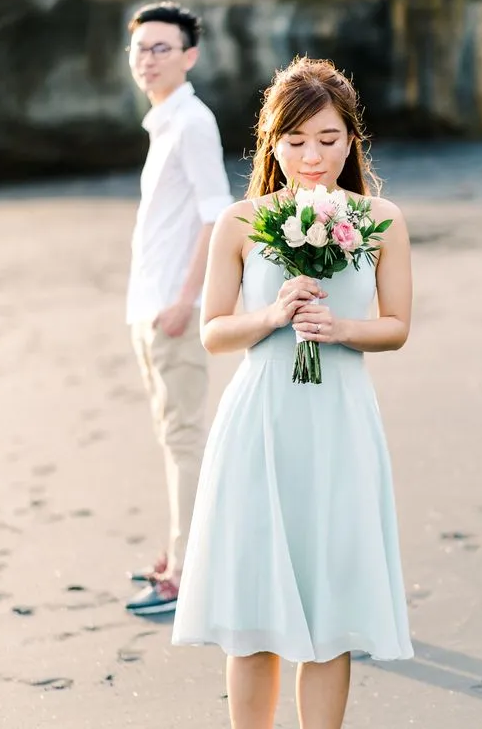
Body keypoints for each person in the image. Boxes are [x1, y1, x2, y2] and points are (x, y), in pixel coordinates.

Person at [172, 56, 413, 728]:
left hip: (340, 419)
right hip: (262, 422)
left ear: (352, 140)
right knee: (252, 610)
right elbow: (215, 331)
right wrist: (274, 315)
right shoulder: (242, 221)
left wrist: (340, 328)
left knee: (329, 605)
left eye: (329, 139)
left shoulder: (381, 220)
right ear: (272, 143)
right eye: (297, 140)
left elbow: (395, 328)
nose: (313, 156)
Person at [124, 1, 233, 616]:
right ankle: (179, 555)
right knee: (173, 437)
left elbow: (216, 214)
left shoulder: (192, 120)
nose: (147, 59)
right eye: (139, 48)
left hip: (173, 309)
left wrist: (184, 301)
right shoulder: (164, 120)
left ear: (189, 56)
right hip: (148, 308)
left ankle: (188, 576)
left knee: (184, 438)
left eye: (161, 47)